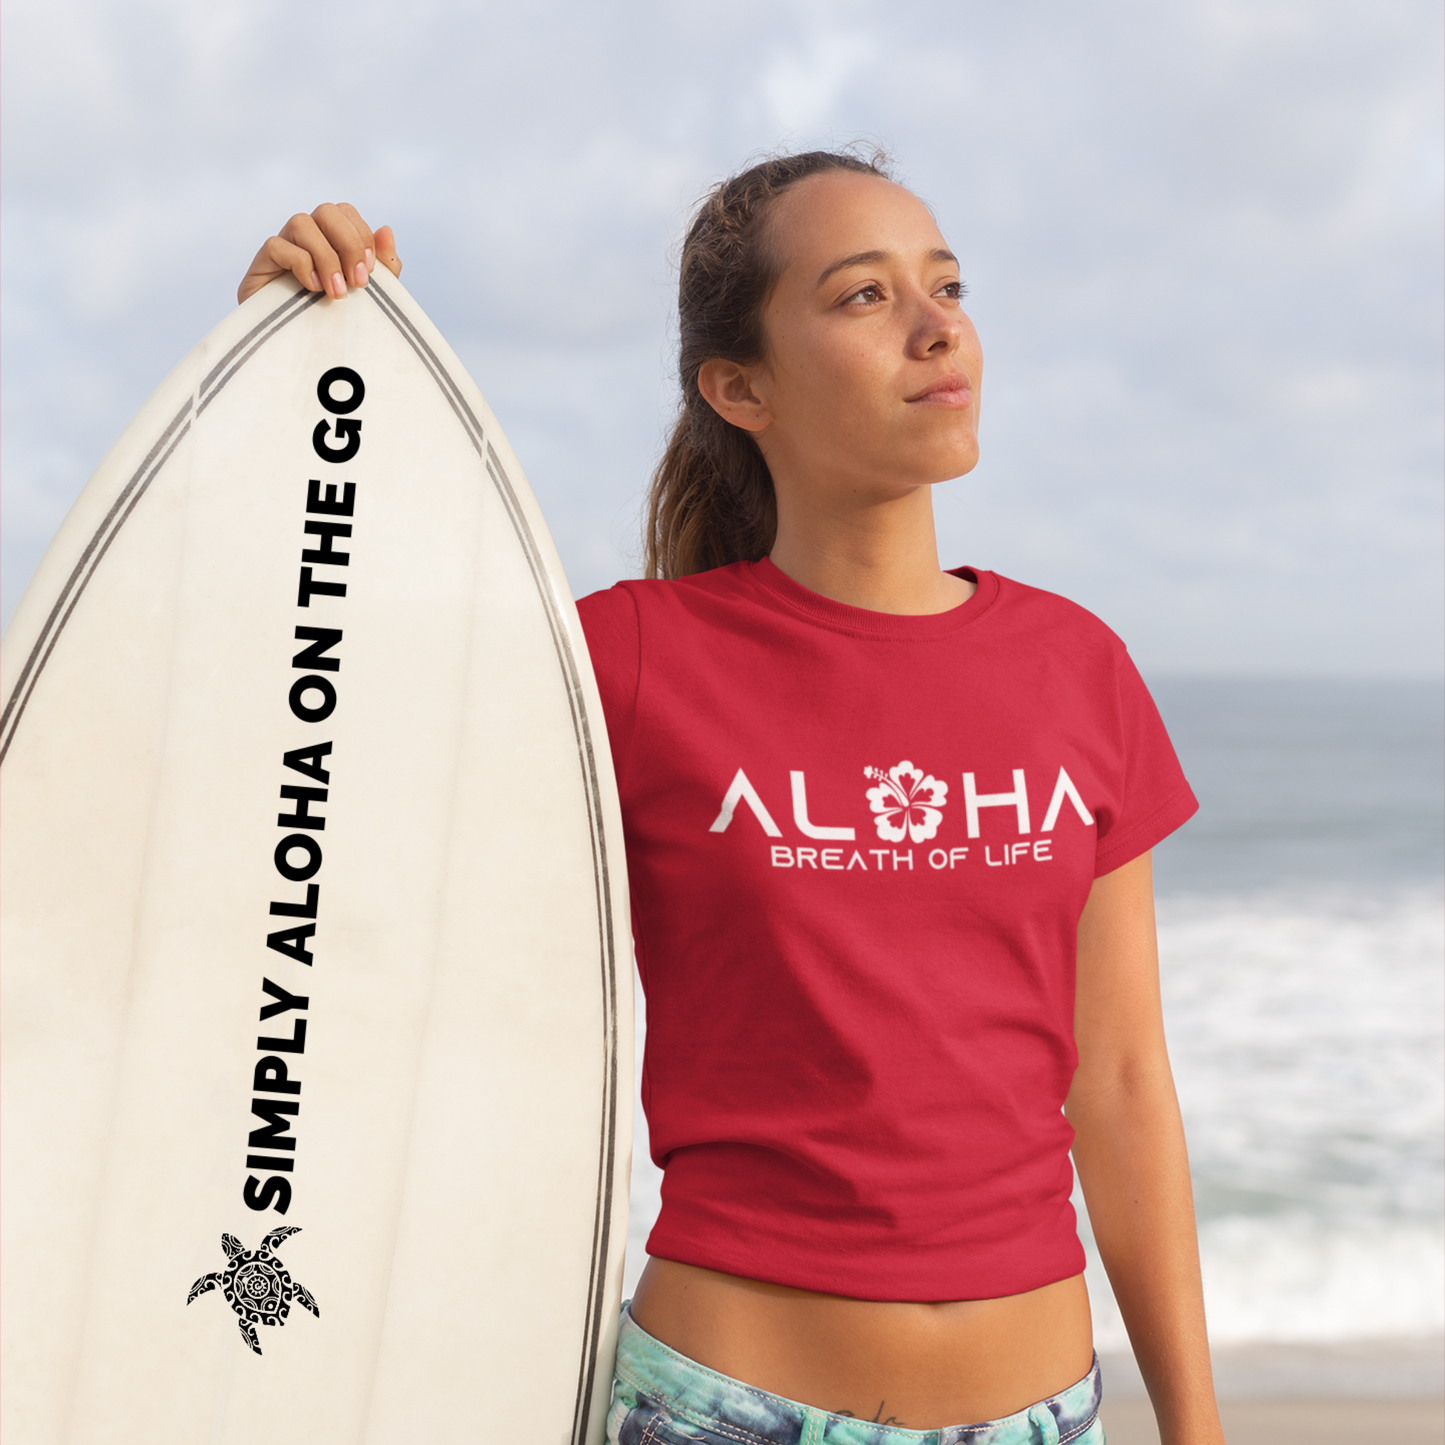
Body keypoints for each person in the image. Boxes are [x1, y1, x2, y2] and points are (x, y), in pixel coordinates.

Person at [240, 151, 1227, 1445]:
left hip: (1045, 1414)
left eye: (948, 285)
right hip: (727, 1410)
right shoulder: (633, 657)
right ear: (738, 386)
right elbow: (307, 739)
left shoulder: (1077, 668)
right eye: (864, 297)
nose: (938, 325)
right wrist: (284, 379)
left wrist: (1195, 1427)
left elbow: (1124, 1085)